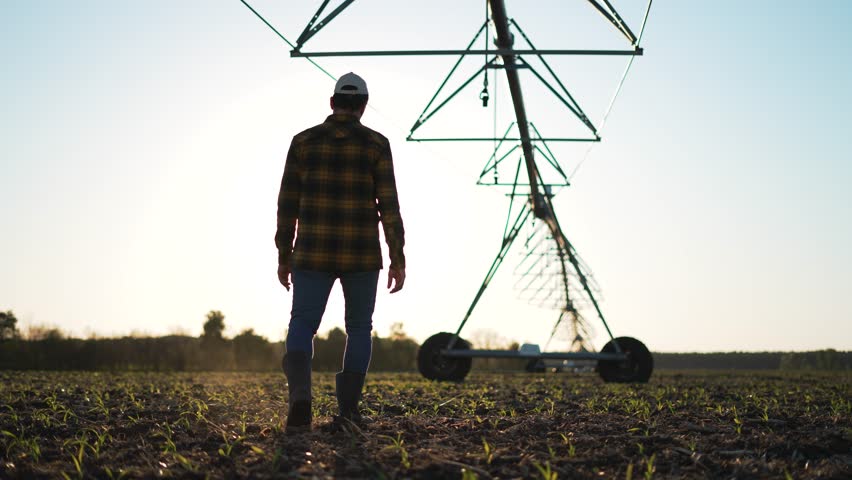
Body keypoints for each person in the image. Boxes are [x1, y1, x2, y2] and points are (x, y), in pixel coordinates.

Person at [275, 72, 406, 431]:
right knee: (359, 328)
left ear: (332, 103)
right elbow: (389, 206)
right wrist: (397, 256)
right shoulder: (376, 144)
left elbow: (286, 205)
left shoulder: (303, 142)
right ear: (363, 106)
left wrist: (284, 254)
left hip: (311, 251)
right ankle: (348, 412)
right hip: (362, 253)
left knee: (302, 323)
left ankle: (300, 397)